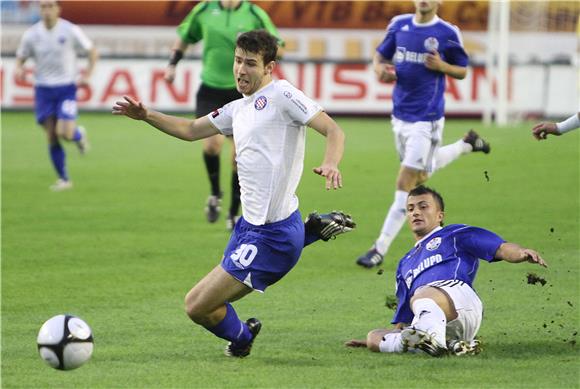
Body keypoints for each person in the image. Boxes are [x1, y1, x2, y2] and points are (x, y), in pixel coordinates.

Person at [114, 30, 355, 357]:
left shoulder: (284, 95)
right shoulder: (237, 109)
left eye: (251, 63)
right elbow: (189, 130)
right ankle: (246, 331)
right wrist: (146, 116)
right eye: (238, 61)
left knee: (195, 305)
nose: (241, 69)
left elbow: (332, 129)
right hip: (249, 227)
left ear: (270, 67)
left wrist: (330, 162)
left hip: (271, 237)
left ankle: (243, 336)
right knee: (210, 308)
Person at [356, 0, 491, 268]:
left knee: (406, 182)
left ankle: (379, 248)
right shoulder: (399, 25)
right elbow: (380, 56)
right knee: (423, 174)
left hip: (426, 120)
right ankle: (466, 144)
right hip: (400, 116)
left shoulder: (447, 32)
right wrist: (379, 70)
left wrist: (443, 66)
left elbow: (462, 70)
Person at [346, 185, 547, 357]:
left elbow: (500, 247)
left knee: (422, 294)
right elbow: (403, 322)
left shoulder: (454, 234)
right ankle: (450, 346)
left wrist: (521, 253)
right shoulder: (404, 264)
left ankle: (433, 342)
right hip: (429, 315)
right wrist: (386, 339)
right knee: (373, 336)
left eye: (423, 207)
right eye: (410, 209)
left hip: (459, 302)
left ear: (440, 215)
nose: (416, 212)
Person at [164, 0, 283, 230]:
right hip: (210, 88)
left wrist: (263, 65)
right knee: (211, 146)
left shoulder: (254, 14)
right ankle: (215, 193)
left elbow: (277, 44)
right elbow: (185, 36)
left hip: (242, 91)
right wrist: (172, 65)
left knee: (239, 156)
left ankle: (233, 212)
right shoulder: (204, 9)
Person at [15, 0, 98, 191]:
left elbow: (92, 51)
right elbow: (21, 56)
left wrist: (88, 74)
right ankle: (64, 179)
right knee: (52, 135)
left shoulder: (70, 30)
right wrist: (19, 68)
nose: (47, 11)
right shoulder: (31, 34)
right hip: (43, 90)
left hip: (66, 88)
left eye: (50, 6)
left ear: (58, 9)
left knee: (65, 133)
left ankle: (78, 135)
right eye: (43, 7)